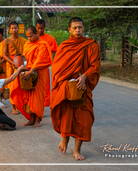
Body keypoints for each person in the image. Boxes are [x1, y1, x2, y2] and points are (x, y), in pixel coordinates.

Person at [51, 17, 100, 160]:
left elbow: (95, 65)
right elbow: (57, 68)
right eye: (75, 28)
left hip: (83, 88)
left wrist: (84, 76)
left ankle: (77, 150)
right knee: (67, 116)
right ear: (69, 30)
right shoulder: (64, 46)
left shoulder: (91, 45)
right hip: (67, 87)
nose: (78, 30)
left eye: (80, 27)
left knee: (84, 120)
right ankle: (64, 139)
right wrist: (63, 83)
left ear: (83, 28)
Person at [12, 26, 51, 127]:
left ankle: (38, 119)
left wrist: (32, 70)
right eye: (27, 36)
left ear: (36, 34)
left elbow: (41, 59)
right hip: (28, 72)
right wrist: (21, 67)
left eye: (31, 36)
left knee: (38, 97)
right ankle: (31, 118)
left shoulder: (43, 44)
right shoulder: (27, 44)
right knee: (28, 96)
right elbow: (25, 58)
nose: (29, 38)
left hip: (39, 73)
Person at [3, 21, 27, 114]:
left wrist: (23, 62)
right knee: (13, 87)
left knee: (23, 85)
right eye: (12, 28)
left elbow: (26, 53)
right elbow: (4, 55)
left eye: (16, 28)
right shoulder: (7, 41)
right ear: (9, 30)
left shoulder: (24, 40)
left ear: (18, 29)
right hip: (11, 65)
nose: (14, 30)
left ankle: (23, 105)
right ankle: (14, 107)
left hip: (21, 65)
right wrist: (13, 63)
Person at [36, 19, 58, 107]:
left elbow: (53, 52)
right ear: (36, 27)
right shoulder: (33, 38)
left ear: (44, 28)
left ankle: (43, 105)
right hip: (33, 66)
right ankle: (34, 105)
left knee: (45, 87)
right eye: (38, 28)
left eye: (42, 28)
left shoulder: (50, 39)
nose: (40, 30)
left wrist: (51, 64)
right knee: (33, 86)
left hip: (44, 67)